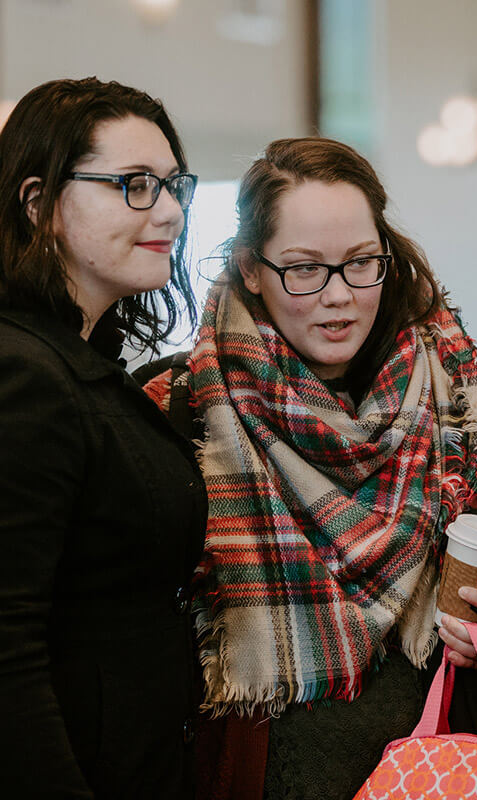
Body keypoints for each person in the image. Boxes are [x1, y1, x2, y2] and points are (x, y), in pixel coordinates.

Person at [142, 136, 477, 799]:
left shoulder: (472, 391)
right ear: (250, 268)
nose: (338, 296)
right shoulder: (182, 404)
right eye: (304, 269)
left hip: (440, 777)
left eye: (359, 263)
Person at [0, 77, 207, 798]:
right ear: (39, 205)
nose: (171, 213)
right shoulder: (23, 373)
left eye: (173, 185)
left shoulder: (84, 364)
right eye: (134, 185)